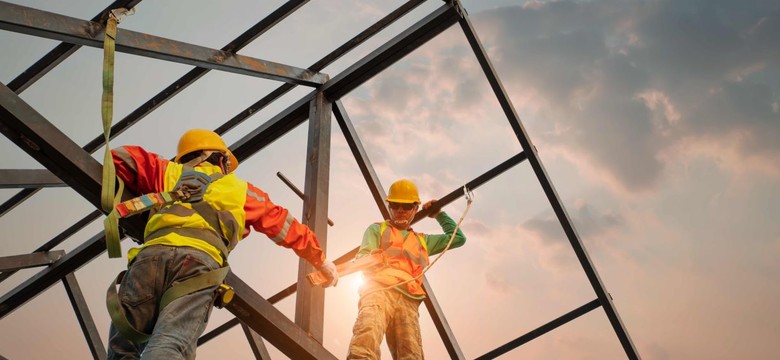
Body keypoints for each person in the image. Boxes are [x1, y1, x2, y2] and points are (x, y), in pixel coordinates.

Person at [105, 129, 338, 359]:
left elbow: (118, 157)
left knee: (122, 346)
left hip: (149, 260)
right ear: (222, 159)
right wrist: (321, 260)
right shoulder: (240, 190)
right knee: (170, 344)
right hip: (197, 267)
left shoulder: (167, 172)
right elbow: (284, 226)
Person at [347, 179, 466, 359]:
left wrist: (439, 214)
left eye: (406, 206)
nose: (400, 210)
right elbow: (363, 256)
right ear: (389, 207)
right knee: (367, 333)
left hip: (408, 298)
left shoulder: (422, 240)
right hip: (379, 290)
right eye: (395, 205)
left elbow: (457, 238)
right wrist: (373, 257)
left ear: (415, 209)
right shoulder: (377, 229)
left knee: (411, 352)